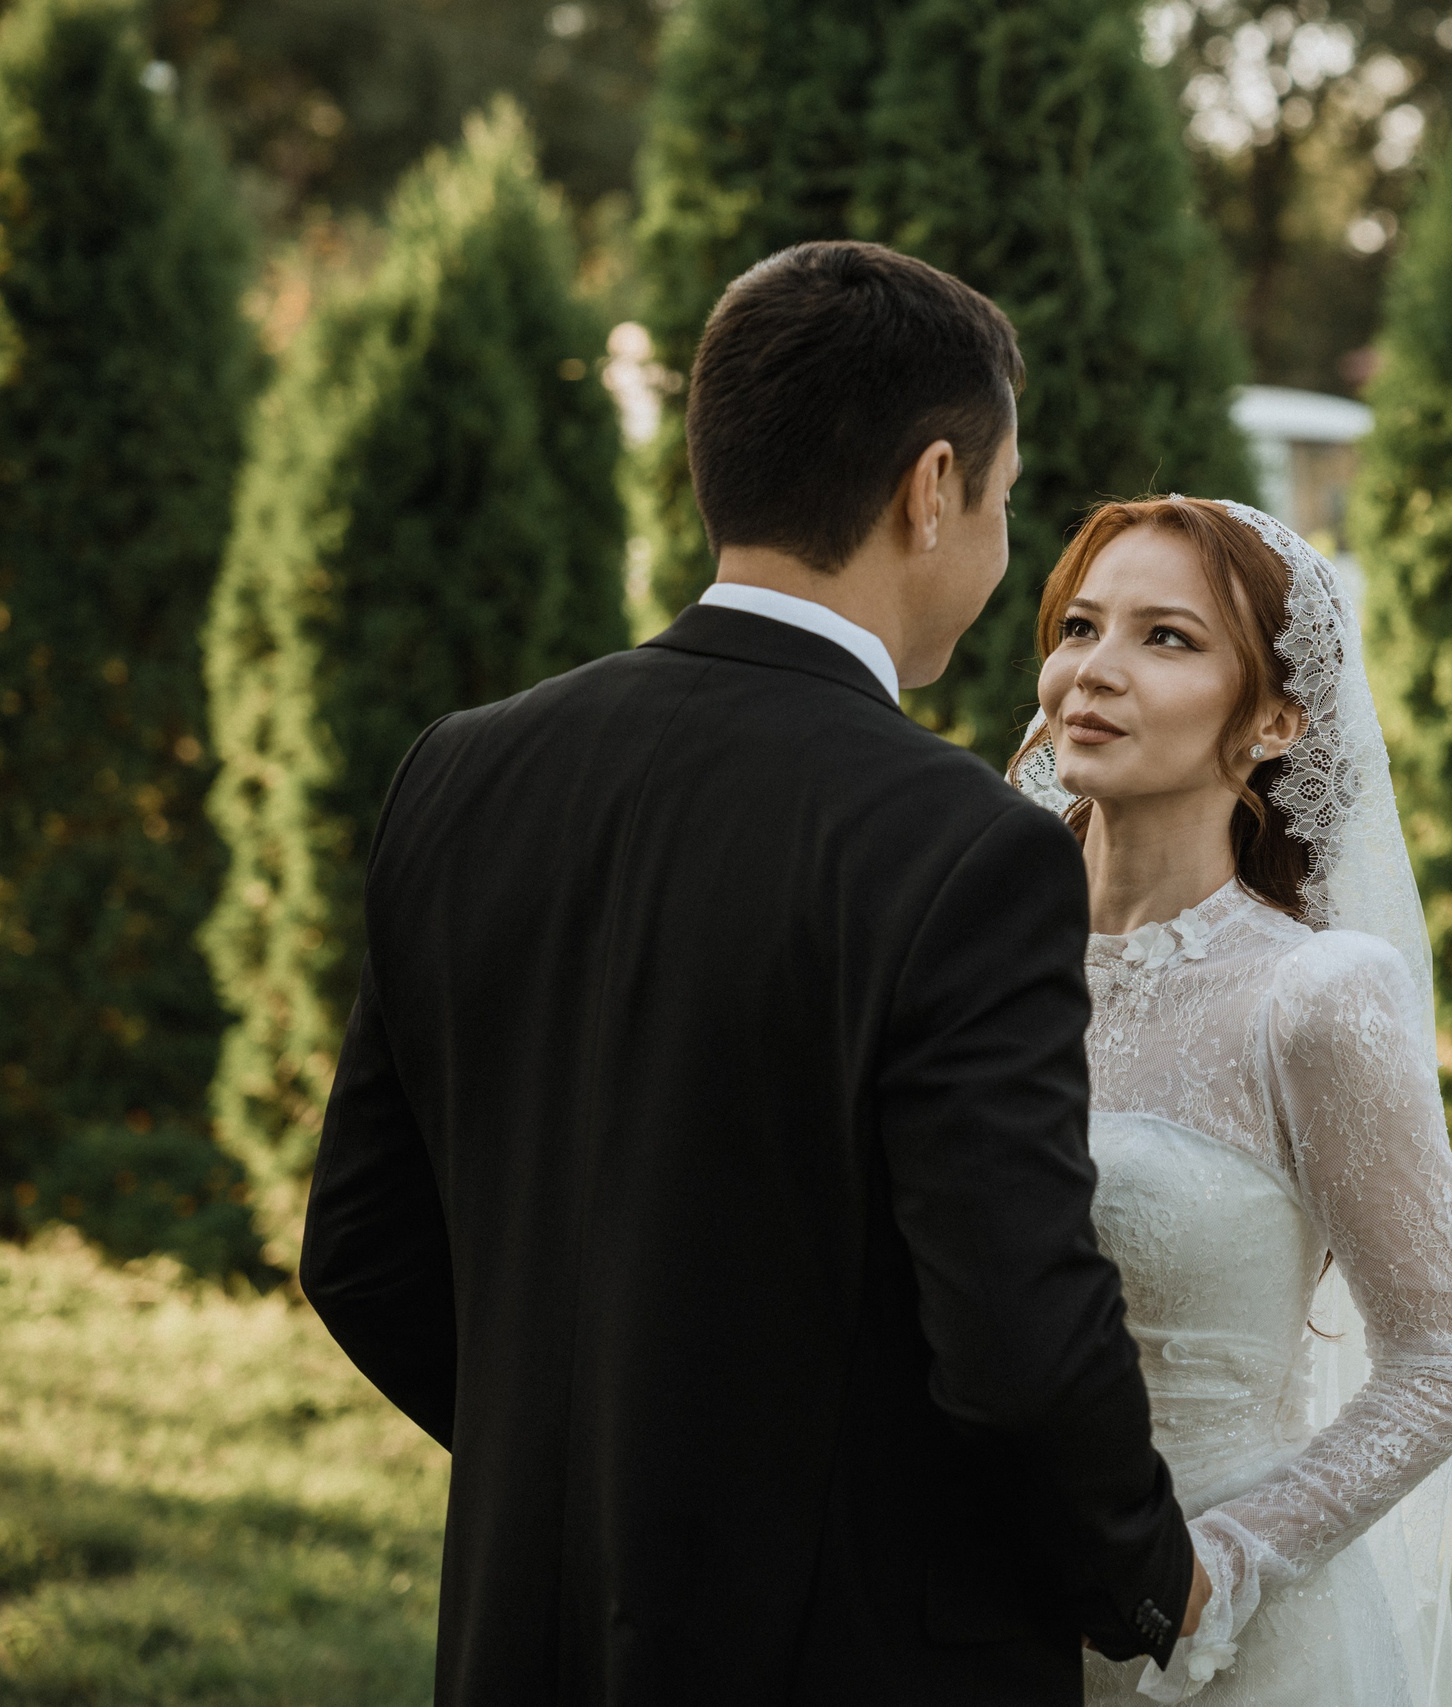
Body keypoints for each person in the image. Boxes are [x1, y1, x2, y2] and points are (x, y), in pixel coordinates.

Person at [299, 240, 1205, 1706]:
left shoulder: (461, 771)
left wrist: (594, 1483)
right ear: (930, 488)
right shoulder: (964, 848)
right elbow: (1019, 1336)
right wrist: (1147, 1567)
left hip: (529, 1635)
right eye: (1004, 497)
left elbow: (360, 1247)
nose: (995, 546)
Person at [1011, 497, 1452, 1706]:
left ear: (1274, 720)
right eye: (1082, 626)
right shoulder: (969, 955)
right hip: (965, 1616)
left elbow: (1448, 1358)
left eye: (1167, 639)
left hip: (1224, 1646)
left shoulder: (1311, 996)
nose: (1094, 672)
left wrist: (1221, 1568)